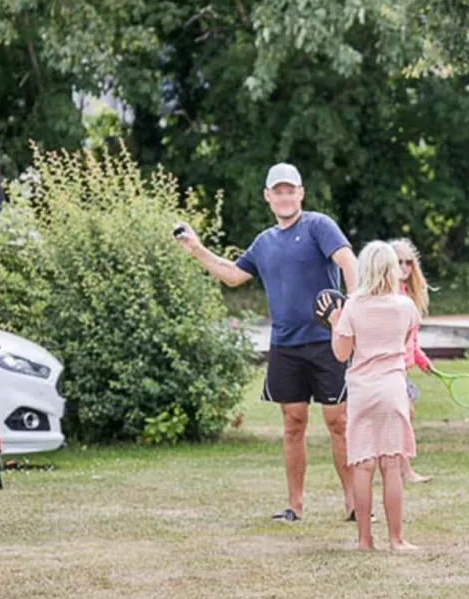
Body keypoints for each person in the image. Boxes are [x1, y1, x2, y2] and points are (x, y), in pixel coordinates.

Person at [177, 162, 358, 522]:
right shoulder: (264, 242)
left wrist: (352, 310)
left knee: (338, 421)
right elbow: (232, 275)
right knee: (293, 423)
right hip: (286, 346)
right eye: (278, 190)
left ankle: (355, 505)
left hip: (328, 341)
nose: (285, 196)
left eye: (291, 190)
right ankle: (295, 506)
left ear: (301, 193)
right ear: (268, 196)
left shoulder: (319, 226)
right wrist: (196, 248)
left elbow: (348, 261)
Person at [330, 241, 421, 550]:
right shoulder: (406, 307)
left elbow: (342, 352)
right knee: (392, 465)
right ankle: (397, 539)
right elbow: (406, 340)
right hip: (393, 388)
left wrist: (333, 323)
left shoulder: (353, 305)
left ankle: (365, 540)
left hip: (362, 390)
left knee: (362, 464)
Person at [391, 238, 434, 485]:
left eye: (409, 262)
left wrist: (421, 360)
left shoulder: (408, 295)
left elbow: (412, 339)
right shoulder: (387, 295)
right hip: (388, 367)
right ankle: (403, 470)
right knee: (403, 416)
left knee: (404, 417)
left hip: (401, 368)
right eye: (399, 262)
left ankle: (398, 467)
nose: (405, 267)